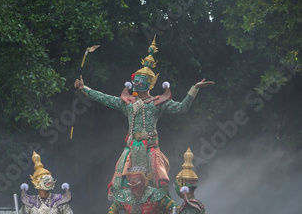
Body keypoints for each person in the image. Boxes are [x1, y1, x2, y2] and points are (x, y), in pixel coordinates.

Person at [74, 36, 215, 198]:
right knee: (118, 183)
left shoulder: (157, 104)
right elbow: (105, 98)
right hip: (131, 149)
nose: (137, 83)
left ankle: (166, 212)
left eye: (142, 80)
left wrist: (194, 88)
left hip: (151, 149)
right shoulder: (128, 103)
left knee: (160, 183)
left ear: (151, 82)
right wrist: (84, 88)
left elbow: (182, 108)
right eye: (136, 80)